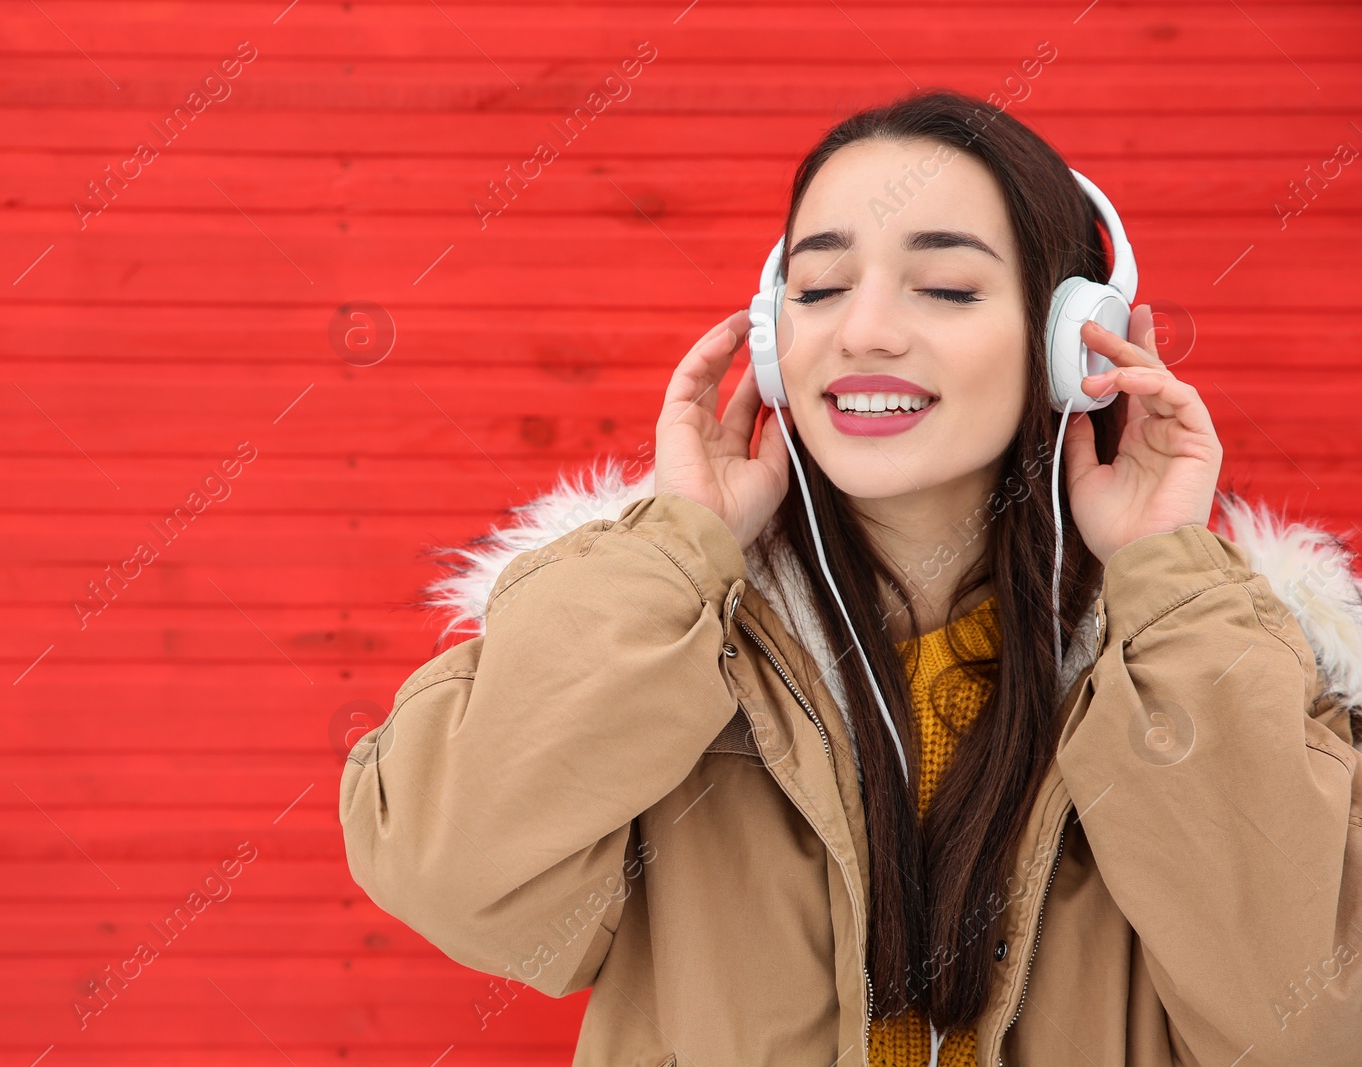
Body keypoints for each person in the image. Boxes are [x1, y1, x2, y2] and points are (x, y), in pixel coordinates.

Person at [340, 90, 1362, 1066]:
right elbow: (448, 868)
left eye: (948, 287)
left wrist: (1165, 581)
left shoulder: (1210, 664)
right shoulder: (671, 645)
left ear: (1069, 344)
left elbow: (1313, 1022)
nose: (861, 329)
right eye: (819, 288)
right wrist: (675, 544)